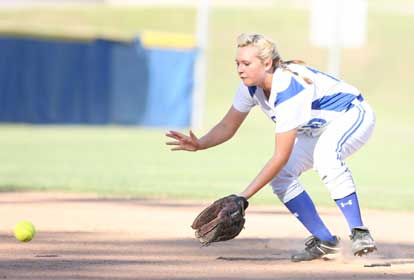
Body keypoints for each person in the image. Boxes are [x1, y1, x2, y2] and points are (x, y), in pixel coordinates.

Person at [165, 33, 377, 262]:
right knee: (281, 178)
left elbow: (280, 156)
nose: (240, 69)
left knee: (326, 156)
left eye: (246, 63)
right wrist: (200, 143)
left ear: (267, 63)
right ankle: (325, 241)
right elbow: (228, 125)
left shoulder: (288, 91)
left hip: (351, 114)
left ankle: (359, 232)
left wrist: (242, 198)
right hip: (315, 128)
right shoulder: (250, 88)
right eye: (237, 63)